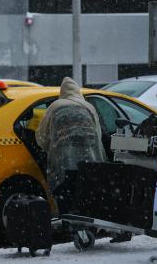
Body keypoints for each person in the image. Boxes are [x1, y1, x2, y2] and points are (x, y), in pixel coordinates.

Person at [35, 76, 107, 214]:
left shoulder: (55, 106)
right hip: (88, 164)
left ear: (62, 92)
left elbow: (41, 136)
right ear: (78, 92)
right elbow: (98, 135)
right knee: (84, 197)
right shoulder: (89, 107)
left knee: (66, 196)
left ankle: (68, 224)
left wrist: (50, 148)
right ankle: (85, 226)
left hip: (63, 161)